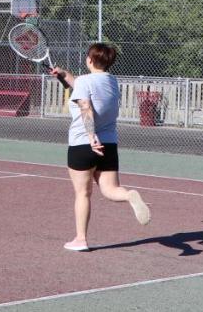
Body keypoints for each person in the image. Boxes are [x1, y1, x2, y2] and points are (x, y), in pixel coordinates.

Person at [50, 42, 150, 252]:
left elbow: (86, 106)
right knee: (111, 190)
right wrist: (63, 74)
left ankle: (80, 239)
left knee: (83, 194)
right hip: (109, 144)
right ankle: (128, 195)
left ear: (90, 60)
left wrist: (90, 136)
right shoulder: (112, 81)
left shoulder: (85, 81)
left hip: (83, 143)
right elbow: (80, 85)